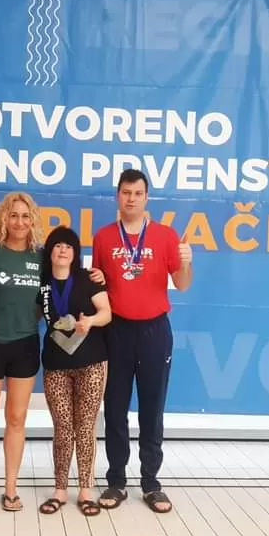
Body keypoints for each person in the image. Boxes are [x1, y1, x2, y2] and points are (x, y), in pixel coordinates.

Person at [0, 191, 105, 516]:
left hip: (25, 346)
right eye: (13, 215)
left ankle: (11, 488)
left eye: (25, 216)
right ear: (4, 218)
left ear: (33, 221)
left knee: (17, 420)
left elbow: (67, 273)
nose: (19, 222)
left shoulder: (41, 258)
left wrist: (95, 274)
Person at [91, 169, 193, 514]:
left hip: (154, 332)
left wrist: (186, 263)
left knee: (152, 407)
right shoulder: (104, 237)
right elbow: (97, 285)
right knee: (115, 407)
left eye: (137, 193)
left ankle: (151, 482)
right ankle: (116, 480)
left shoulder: (166, 236)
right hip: (116, 330)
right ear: (117, 196)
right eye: (126, 192)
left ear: (146, 197)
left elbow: (182, 284)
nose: (131, 198)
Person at [35, 225, 112, 517]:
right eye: (58, 245)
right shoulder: (41, 283)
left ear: (75, 253)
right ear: (50, 252)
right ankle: (59, 489)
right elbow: (30, 314)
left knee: (85, 427)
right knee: (63, 427)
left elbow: (107, 313)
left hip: (91, 364)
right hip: (56, 365)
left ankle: (85, 490)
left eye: (69, 246)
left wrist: (89, 322)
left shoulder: (88, 278)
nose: (63, 250)